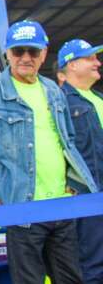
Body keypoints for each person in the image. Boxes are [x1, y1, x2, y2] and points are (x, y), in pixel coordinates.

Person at [0, 20, 98, 284]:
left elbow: (67, 139)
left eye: (33, 52)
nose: (26, 58)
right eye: (18, 51)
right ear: (7, 54)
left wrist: (72, 182)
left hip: (61, 204)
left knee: (71, 279)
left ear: (44, 54)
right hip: (21, 206)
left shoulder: (52, 90)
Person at [58, 39, 103, 284]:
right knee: (92, 265)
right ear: (72, 65)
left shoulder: (97, 98)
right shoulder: (60, 102)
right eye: (90, 58)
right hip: (87, 198)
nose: (97, 62)